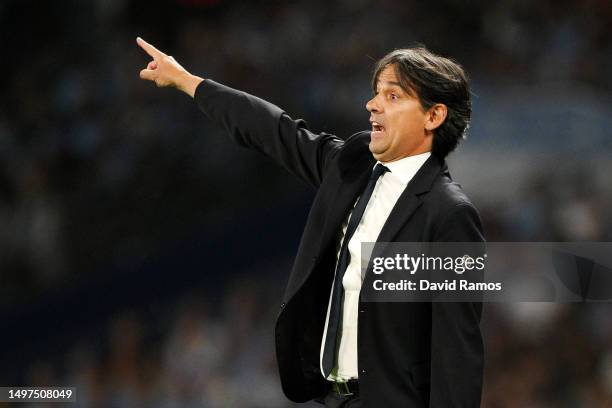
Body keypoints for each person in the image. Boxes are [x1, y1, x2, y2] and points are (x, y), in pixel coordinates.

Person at [137, 36, 484, 408]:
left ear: (434, 116)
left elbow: (456, 354)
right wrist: (190, 82)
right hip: (332, 400)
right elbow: (276, 131)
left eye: (393, 96)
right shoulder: (353, 166)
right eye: (376, 92)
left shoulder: (450, 215)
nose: (372, 105)